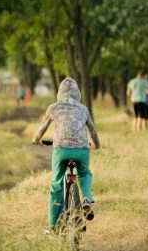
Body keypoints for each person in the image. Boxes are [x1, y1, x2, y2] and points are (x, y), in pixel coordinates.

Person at [32, 77, 100, 233]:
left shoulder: (54, 107)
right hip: (82, 150)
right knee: (84, 173)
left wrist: (36, 140)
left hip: (61, 150)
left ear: (59, 93)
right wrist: (96, 145)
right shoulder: (83, 109)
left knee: (56, 183)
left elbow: (41, 129)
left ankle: (53, 225)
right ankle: (87, 199)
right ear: (78, 94)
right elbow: (93, 131)